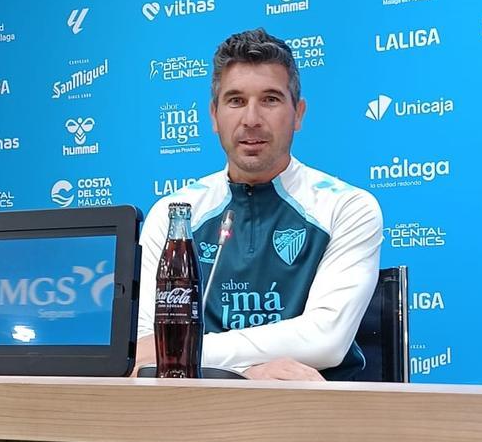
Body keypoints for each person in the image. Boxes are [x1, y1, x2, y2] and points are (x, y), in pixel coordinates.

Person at [135, 28, 383, 381]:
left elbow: (325, 340)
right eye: (236, 101)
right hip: (198, 407)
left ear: (298, 114)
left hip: (308, 407)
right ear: (214, 116)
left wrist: (192, 353)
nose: (251, 119)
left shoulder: (347, 207)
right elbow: (143, 349)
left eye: (270, 99)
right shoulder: (174, 213)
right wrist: (244, 373)